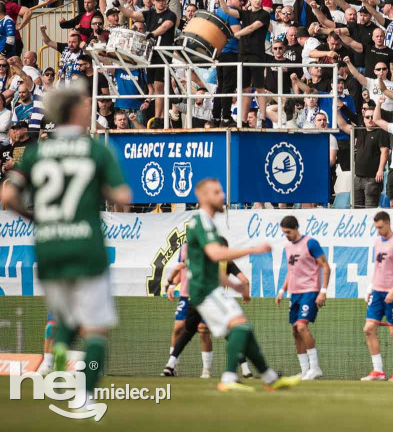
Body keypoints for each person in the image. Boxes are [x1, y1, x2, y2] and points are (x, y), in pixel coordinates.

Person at [2, 83, 133, 408]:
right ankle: (84, 395)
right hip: (86, 245)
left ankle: (54, 368)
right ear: (75, 110)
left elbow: (7, 195)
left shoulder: (36, 152)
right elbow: (124, 198)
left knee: (63, 317)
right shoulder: (96, 150)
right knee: (95, 328)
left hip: (48, 247)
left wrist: (40, 222)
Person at [185, 177, 300, 392]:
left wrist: (235, 285)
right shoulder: (201, 221)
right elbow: (216, 253)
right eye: (217, 192)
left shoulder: (204, 223)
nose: (223, 196)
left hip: (209, 287)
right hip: (204, 290)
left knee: (244, 328)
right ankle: (229, 378)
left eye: (222, 191)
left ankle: (269, 377)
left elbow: (207, 264)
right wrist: (252, 250)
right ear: (202, 196)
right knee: (239, 326)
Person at [162, 239, 252, 380]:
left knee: (188, 332)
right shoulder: (225, 261)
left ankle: (171, 364)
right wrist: (246, 295)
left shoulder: (203, 258)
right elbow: (244, 280)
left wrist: (168, 283)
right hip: (214, 302)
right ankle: (245, 370)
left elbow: (178, 267)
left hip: (197, 299)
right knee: (230, 334)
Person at [276, 216, 331, 381]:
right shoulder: (287, 247)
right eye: (284, 232)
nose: (287, 235)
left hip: (310, 291)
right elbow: (290, 271)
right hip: (295, 293)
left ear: (296, 228)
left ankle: (315, 368)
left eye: (288, 232)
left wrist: (323, 291)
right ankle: (305, 369)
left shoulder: (310, 243)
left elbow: (325, 266)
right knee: (295, 330)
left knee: (301, 327)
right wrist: (282, 290)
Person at [361, 211, 393, 382]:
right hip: (377, 291)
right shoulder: (377, 242)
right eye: (376, 227)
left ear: (388, 224)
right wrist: (370, 287)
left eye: (381, 227)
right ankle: (378, 371)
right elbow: (378, 267)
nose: (378, 230)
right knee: (368, 328)